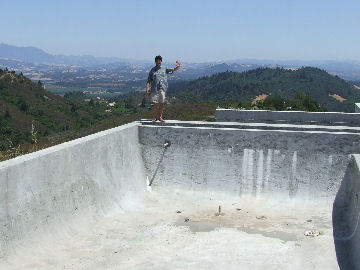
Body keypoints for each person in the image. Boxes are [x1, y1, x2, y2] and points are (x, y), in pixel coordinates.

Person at [146, 55, 181, 122]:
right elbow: (149, 80)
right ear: (155, 62)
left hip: (162, 88)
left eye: (159, 60)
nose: (158, 62)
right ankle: (154, 117)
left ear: (161, 61)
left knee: (161, 103)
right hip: (154, 89)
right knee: (155, 104)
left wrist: (178, 66)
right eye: (157, 60)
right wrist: (147, 88)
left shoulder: (164, 68)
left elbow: (173, 70)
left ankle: (160, 117)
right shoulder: (152, 70)